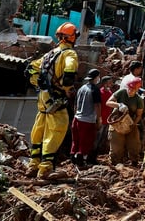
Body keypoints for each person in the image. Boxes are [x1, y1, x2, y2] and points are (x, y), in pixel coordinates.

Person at [26, 22, 80, 179]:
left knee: (39, 128)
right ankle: (46, 169)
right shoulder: (70, 54)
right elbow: (69, 74)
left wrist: (39, 83)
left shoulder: (50, 54)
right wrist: (68, 89)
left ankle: (33, 164)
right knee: (56, 130)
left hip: (43, 99)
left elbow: (30, 69)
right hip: (56, 99)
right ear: (72, 37)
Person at [107, 77, 144, 166]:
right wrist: (118, 105)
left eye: (133, 89)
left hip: (130, 123)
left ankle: (134, 163)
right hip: (117, 122)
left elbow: (139, 115)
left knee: (134, 145)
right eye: (129, 88)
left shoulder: (138, 99)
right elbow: (108, 102)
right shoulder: (121, 92)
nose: (130, 90)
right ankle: (115, 164)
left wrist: (133, 124)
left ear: (137, 89)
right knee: (116, 147)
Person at [70, 69, 102, 169]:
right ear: (96, 78)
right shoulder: (94, 89)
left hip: (77, 119)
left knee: (76, 140)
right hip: (87, 120)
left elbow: (75, 104)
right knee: (86, 141)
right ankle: (81, 162)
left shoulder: (81, 88)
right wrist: (98, 119)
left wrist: (76, 115)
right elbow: (97, 106)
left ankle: (73, 159)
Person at [92, 75, 115, 162]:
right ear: (105, 83)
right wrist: (98, 118)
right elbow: (97, 106)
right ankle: (92, 157)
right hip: (101, 119)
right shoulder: (100, 93)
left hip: (107, 119)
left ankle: (98, 156)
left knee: (102, 139)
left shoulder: (109, 92)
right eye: (110, 82)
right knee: (97, 139)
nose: (111, 84)